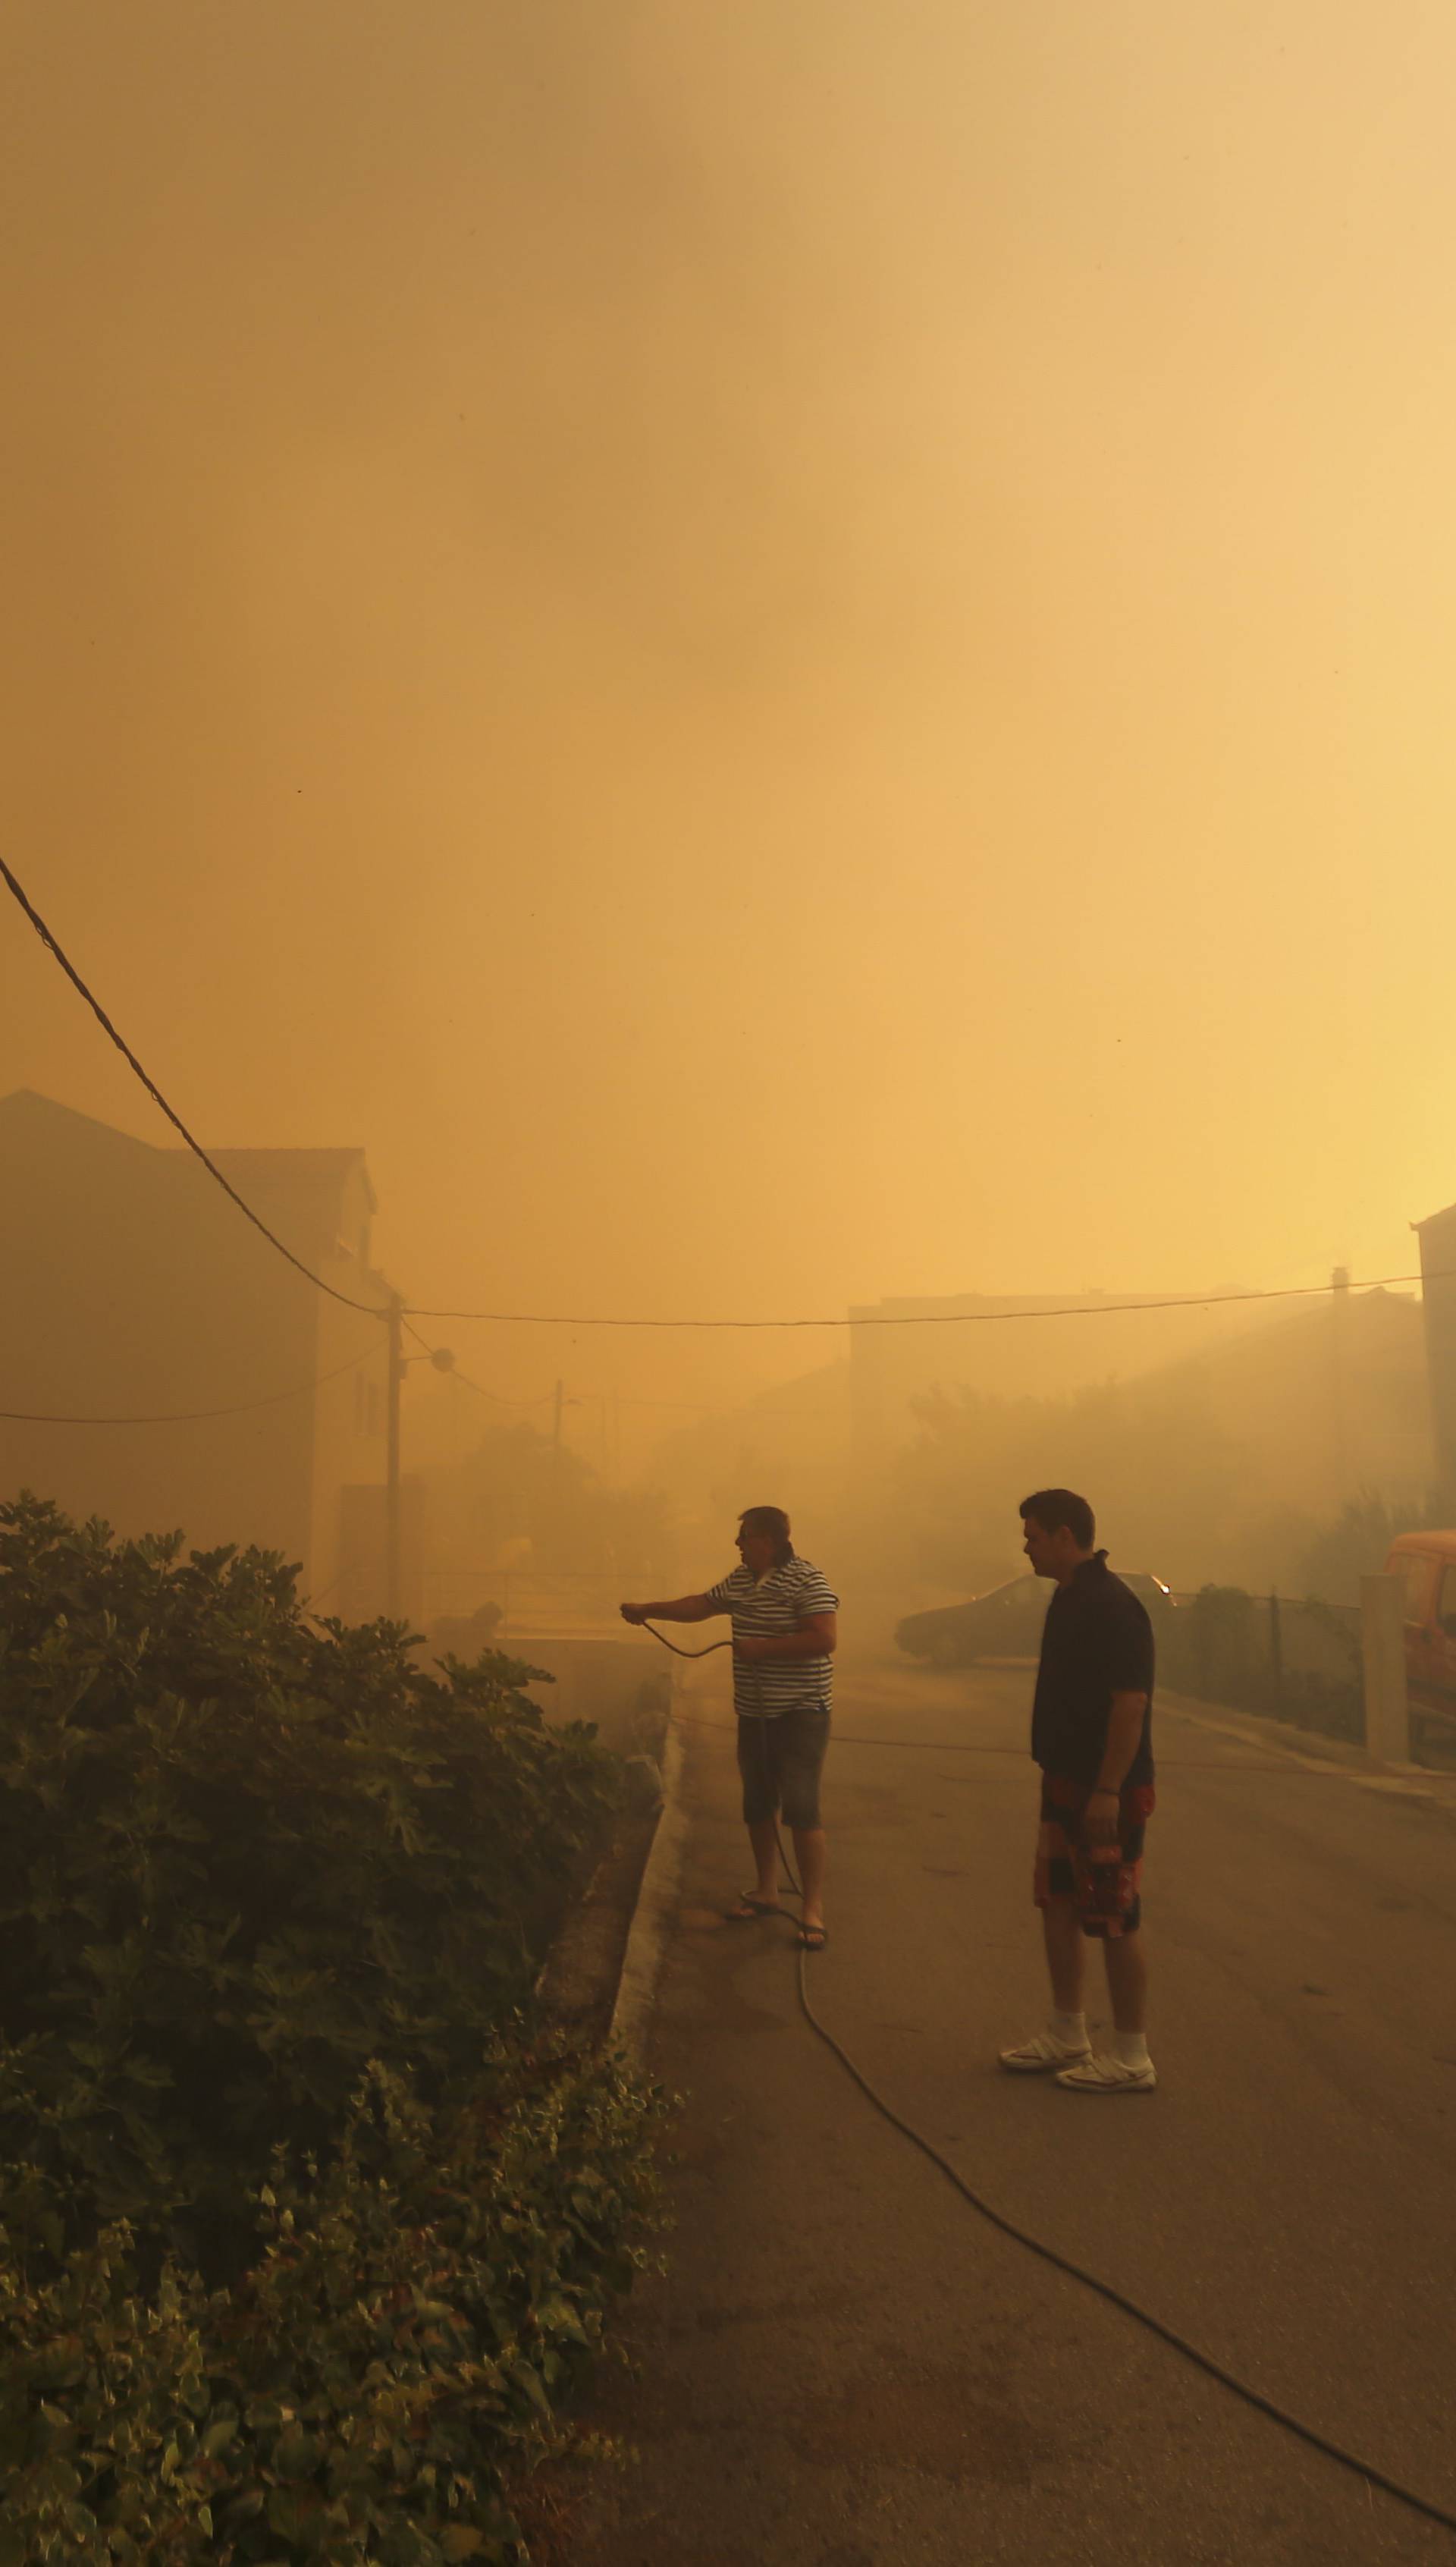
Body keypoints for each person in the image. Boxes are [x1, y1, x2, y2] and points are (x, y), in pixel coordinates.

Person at [620, 1507, 838, 1950]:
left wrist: (763, 1648)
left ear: (771, 1542)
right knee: (757, 1802)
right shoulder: (740, 1580)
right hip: (754, 1711)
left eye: (745, 1536)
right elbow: (701, 1604)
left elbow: (824, 1638)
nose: (738, 1544)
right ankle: (766, 1890)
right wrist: (650, 1609)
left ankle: (812, 1909)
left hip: (801, 1712)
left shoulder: (808, 1580)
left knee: (801, 1807)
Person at [999, 1488, 1157, 2093]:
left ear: (1067, 1537)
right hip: (1063, 1782)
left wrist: (1108, 1791)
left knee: (1115, 1915)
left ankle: (1131, 2055)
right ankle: (1068, 2032)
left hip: (1105, 1792)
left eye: (1034, 1536)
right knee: (1059, 1901)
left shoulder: (1113, 1607)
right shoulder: (1067, 1598)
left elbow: (1130, 1703)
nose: (1026, 1547)